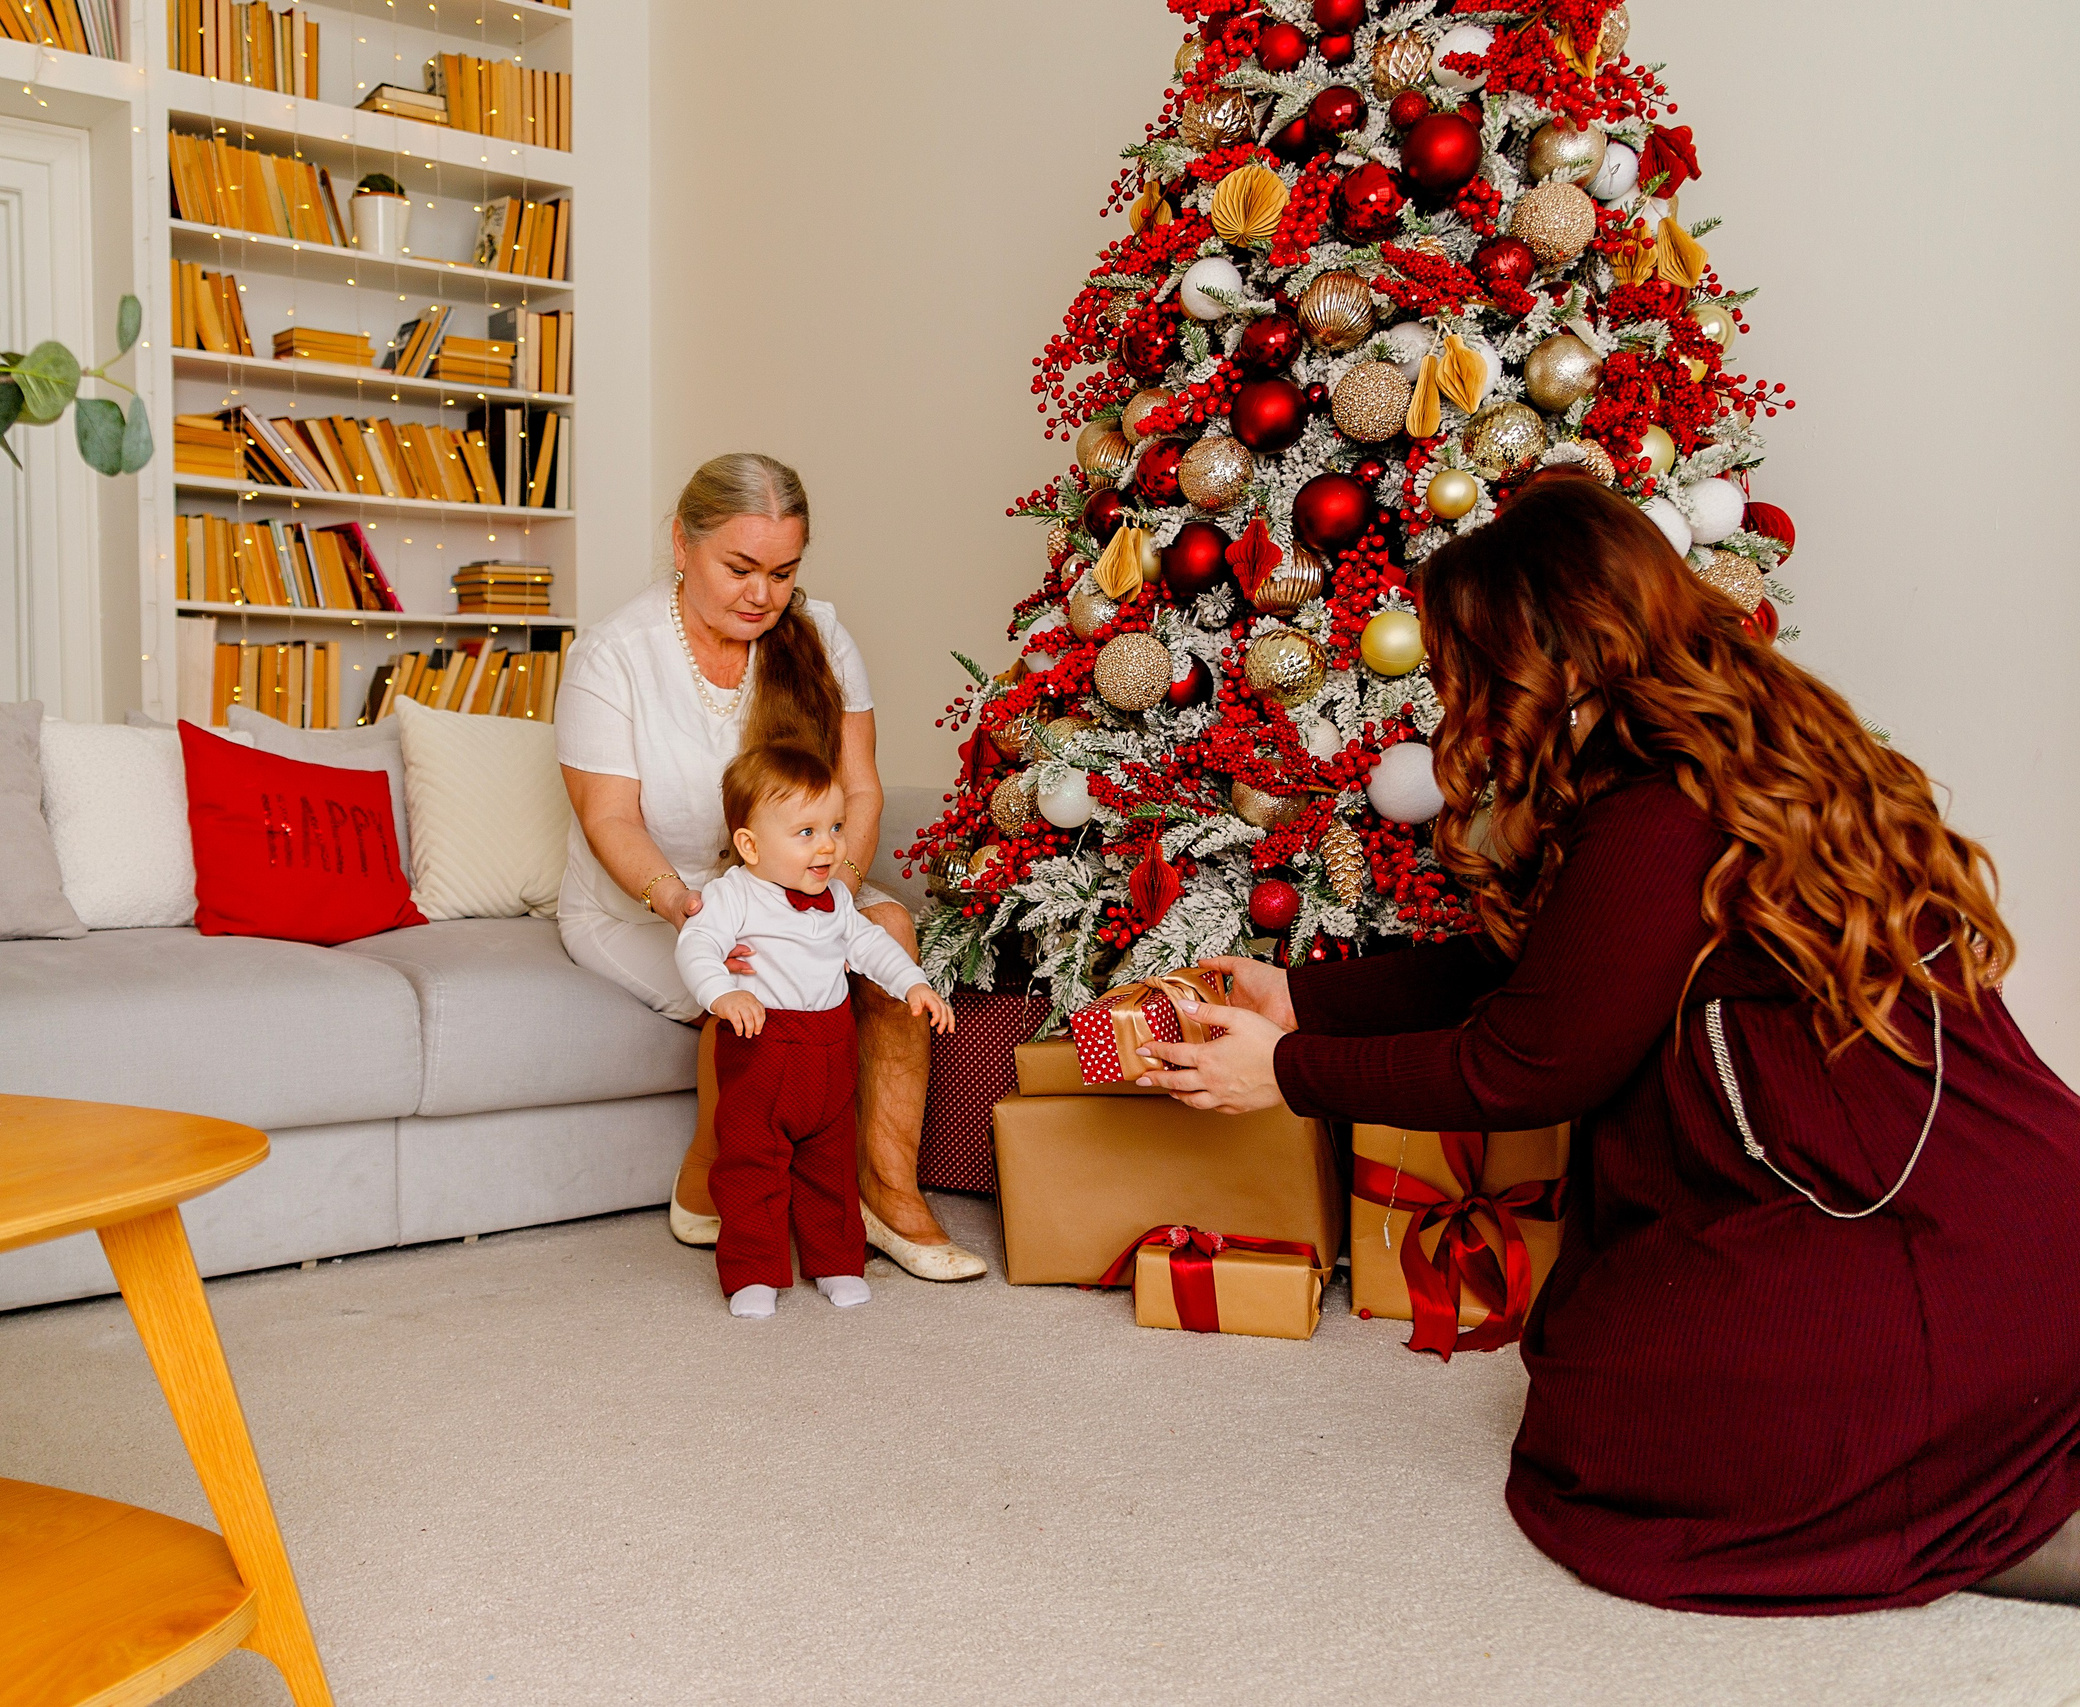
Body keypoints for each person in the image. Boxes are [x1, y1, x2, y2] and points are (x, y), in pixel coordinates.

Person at [1136, 476, 2080, 1615]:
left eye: (1464, 663)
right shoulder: (1730, 746)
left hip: (1912, 1237)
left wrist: (1286, 1073)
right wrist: (1303, 997)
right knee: (1604, 1376)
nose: (1449, 694)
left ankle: (1993, 1505)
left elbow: (1528, 1063)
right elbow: (1559, 965)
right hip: (2008, 1207)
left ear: (1553, 659)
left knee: (1624, 1453)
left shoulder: (1659, 810)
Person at [555, 452, 987, 1282]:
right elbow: (609, 817)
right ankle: (713, 1173)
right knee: (750, 964)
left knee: (890, 928)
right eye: (740, 568)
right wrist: (683, 905)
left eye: (782, 573)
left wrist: (835, 895)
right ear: (682, 545)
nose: (762, 593)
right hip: (648, 903)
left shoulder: (820, 635)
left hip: (795, 876)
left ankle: (888, 1194)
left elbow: (860, 789)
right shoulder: (614, 655)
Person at [676, 744, 955, 1318]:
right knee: (753, 1165)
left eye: (835, 828)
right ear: (751, 845)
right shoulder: (733, 895)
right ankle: (754, 1271)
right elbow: (697, 944)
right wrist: (722, 993)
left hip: (831, 1049)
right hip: (763, 1049)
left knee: (831, 1164)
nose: (828, 845)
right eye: (806, 832)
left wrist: (912, 983)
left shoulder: (835, 900)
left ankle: (836, 1263)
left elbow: (870, 944)